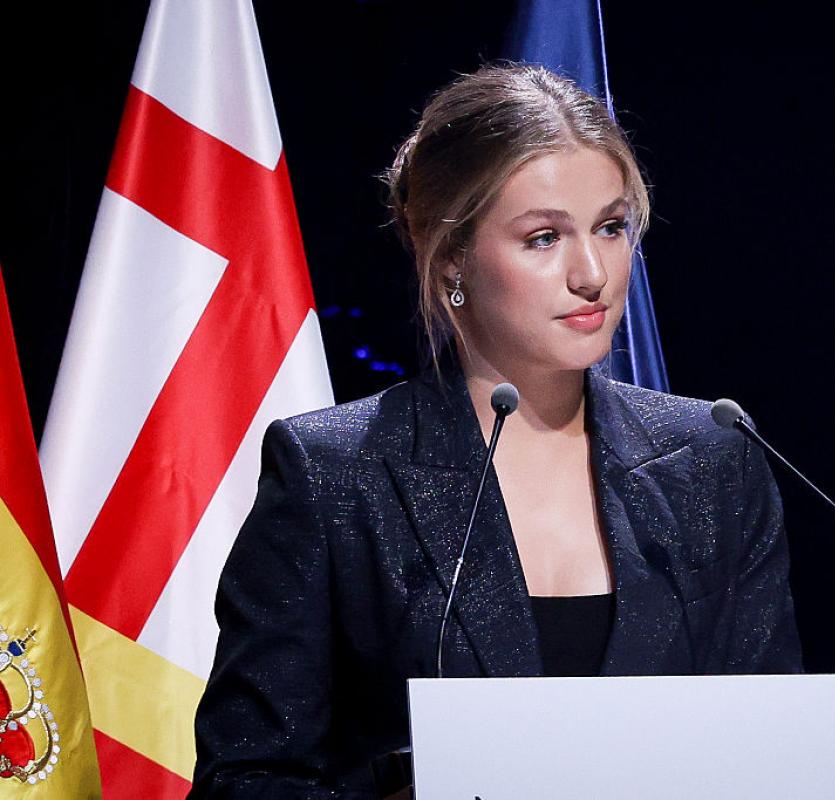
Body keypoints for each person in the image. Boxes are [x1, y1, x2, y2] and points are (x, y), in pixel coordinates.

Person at [189, 64, 802, 799]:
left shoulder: (712, 458)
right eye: (543, 238)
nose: (592, 273)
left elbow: (772, 744)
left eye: (611, 228)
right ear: (453, 261)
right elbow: (250, 777)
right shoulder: (335, 473)